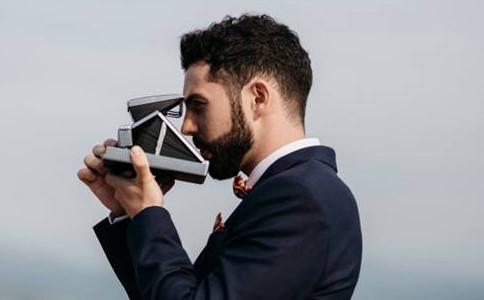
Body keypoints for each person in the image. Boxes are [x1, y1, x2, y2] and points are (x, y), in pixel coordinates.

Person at [78, 14, 362, 300]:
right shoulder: (299, 190)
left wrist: (148, 214)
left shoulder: (302, 198)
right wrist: (130, 213)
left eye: (199, 105)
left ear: (258, 97)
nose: (187, 127)